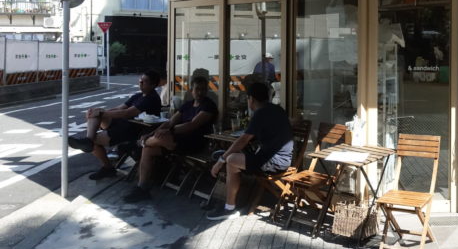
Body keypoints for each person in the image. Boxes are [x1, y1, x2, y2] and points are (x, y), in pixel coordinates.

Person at [123, 75, 218, 203]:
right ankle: (142, 188)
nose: (200, 92)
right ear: (191, 90)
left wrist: (168, 131)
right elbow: (170, 122)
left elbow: (192, 125)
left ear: (207, 90)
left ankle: (139, 143)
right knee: (148, 149)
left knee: (161, 138)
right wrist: (152, 133)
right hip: (176, 141)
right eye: (197, 89)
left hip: (195, 143)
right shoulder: (187, 105)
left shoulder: (209, 106)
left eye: (203, 89)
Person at [207, 82, 292, 220]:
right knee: (232, 160)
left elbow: (243, 140)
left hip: (274, 162)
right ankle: (229, 204)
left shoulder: (261, 113)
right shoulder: (276, 109)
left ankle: (229, 207)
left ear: (251, 99)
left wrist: (221, 160)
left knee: (230, 160)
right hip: (279, 159)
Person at [68, 70, 162, 180]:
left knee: (95, 140)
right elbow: (119, 108)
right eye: (140, 80)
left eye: (144, 82)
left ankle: (107, 167)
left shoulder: (151, 98)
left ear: (153, 85)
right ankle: (89, 140)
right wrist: (100, 112)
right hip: (124, 124)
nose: (140, 83)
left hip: (134, 131)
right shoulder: (138, 96)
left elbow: (127, 113)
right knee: (95, 112)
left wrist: (102, 113)